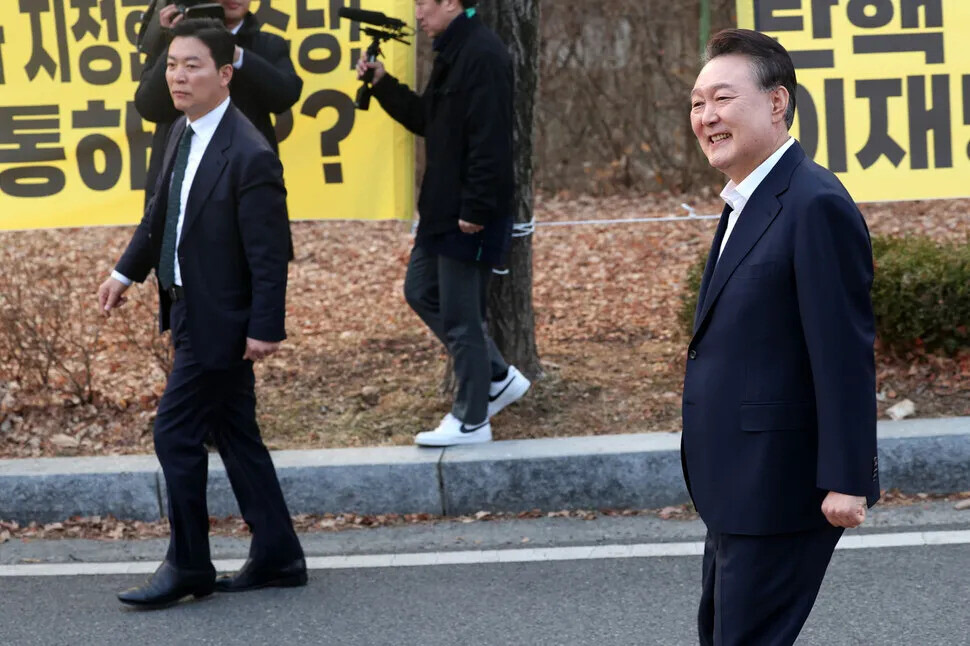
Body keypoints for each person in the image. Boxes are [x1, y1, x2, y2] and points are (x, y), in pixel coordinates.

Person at [98, 18, 305, 609]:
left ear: (225, 74)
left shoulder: (249, 152)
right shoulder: (180, 132)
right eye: (171, 65)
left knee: (175, 432)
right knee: (235, 433)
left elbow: (270, 253)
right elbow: (161, 212)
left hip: (222, 318)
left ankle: (189, 563)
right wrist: (124, 273)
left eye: (192, 65)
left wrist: (265, 326)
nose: (178, 76)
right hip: (186, 306)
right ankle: (279, 555)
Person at [682, 29, 880, 645]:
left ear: (777, 103)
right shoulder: (749, 197)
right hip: (739, 486)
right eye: (697, 103)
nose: (707, 116)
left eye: (722, 98)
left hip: (781, 487)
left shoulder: (813, 202)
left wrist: (848, 477)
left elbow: (843, 349)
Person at [355, 0, 530, 447]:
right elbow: (428, 121)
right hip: (439, 208)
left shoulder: (484, 54)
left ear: (451, 2)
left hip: (469, 212)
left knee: (460, 316)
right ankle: (497, 376)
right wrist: (382, 83)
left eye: (423, 4)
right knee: (420, 290)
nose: (417, 14)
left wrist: (476, 208)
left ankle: (472, 419)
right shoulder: (452, 51)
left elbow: (491, 140)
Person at [136, 0, 302, 208]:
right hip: (177, 178)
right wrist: (174, 39)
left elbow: (286, 94)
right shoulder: (170, 41)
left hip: (244, 180)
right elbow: (148, 106)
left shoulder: (268, 45)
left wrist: (237, 56)